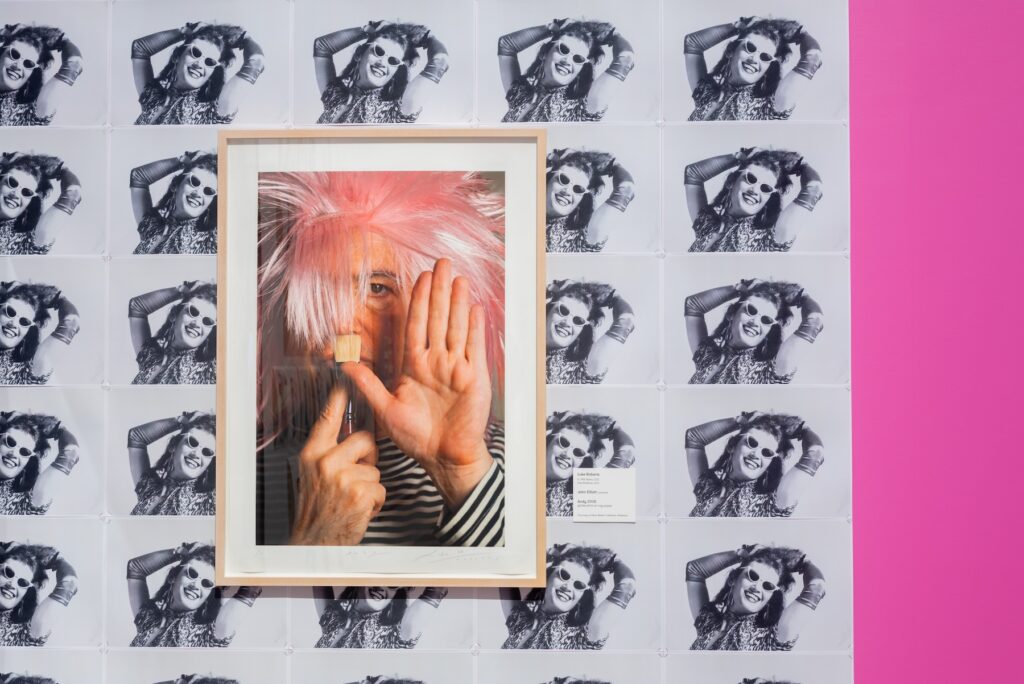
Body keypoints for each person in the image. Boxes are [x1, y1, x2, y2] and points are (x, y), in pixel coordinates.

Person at [256, 171, 507, 547]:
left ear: (434, 307)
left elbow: (523, 598)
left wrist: (459, 472)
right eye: (320, 294)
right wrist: (317, 541)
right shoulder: (245, 465)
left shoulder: (504, 457)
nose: (339, 324)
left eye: (377, 288)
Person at [686, 544, 826, 651]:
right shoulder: (709, 619)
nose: (757, 588)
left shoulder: (772, 637)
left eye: (768, 585)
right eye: (753, 576)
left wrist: (805, 563)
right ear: (732, 579)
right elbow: (693, 570)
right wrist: (741, 554)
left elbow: (816, 587)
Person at [685, 279, 823, 384]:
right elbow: (692, 305)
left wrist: (803, 296)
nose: (755, 322)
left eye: (766, 319)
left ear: (769, 330)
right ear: (731, 314)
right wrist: (739, 288)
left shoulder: (771, 371)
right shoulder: (707, 353)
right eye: (751, 310)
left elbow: (815, 321)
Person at [686, 412, 824, 517]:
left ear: (770, 462)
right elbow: (693, 437)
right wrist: (740, 420)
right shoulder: (707, 488)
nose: (756, 454)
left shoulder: (771, 505)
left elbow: (816, 454)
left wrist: (804, 429)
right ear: (732, 446)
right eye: (752, 443)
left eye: (767, 452)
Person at [685, 148, 822, 252]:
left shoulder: (768, 239)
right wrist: (739, 156)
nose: (755, 190)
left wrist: (803, 165)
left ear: (768, 198)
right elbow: (692, 173)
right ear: (731, 182)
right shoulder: (707, 223)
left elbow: (814, 189)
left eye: (766, 188)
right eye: (751, 179)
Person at [684, 17, 822, 121]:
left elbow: (813, 59)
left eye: (765, 56)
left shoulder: (770, 106)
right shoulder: (707, 92)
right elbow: (692, 42)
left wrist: (803, 33)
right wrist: (738, 26)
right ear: (730, 51)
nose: (754, 59)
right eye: (750, 48)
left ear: (768, 67)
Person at [501, 544, 635, 649]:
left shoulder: (582, 636)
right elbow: (504, 565)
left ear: (583, 594)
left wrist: (614, 561)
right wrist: (551, 553)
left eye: (579, 585)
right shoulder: (519, 619)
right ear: (548, 576)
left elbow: (628, 586)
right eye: (564, 575)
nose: (568, 587)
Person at [127, 542, 260, 647]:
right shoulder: (149, 617)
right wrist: (179, 552)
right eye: (192, 574)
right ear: (173, 576)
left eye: (207, 583)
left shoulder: (205, 635)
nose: (196, 585)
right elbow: (135, 567)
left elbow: (253, 584)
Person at [498, 18, 634, 122]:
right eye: (563, 49)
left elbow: (625, 60)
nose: (568, 61)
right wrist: (552, 27)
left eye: (578, 58)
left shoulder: (581, 109)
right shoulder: (520, 93)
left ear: (581, 68)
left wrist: (614, 35)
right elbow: (506, 44)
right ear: (543, 53)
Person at [313, 21, 449, 124]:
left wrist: (429, 37)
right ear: (359, 55)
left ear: (396, 70)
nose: (382, 63)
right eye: (379, 51)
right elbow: (321, 46)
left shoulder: (396, 110)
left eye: (393, 60)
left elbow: (440, 62)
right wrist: (368, 29)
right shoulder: (335, 96)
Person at [132, 22, 264, 125]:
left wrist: (245, 38)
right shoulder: (153, 96)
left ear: (212, 72)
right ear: (177, 56)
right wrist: (186, 31)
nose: (199, 64)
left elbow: (256, 63)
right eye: (196, 53)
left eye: (210, 61)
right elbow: (139, 48)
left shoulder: (213, 110)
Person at [545, 411, 634, 516]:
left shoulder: (586, 496)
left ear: (583, 461)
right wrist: (550, 421)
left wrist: (616, 428)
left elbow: (627, 453)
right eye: (563, 442)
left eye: (578, 452)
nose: (568, 454)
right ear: (548, 440)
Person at [545, 148, 634, 253]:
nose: (568, 191)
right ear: (547, 179)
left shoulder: (580, 241)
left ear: (581, 199)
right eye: (563, 179)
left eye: (578, 189)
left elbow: (626, 189)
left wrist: (614, 165)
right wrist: (552, 157)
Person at [545, 280, 634, 384]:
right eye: (563, 310)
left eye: (578, 321)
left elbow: (626, 322)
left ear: (581, 331)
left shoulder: (578, 372)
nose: (567, 323)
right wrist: (551, 289)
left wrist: (614, 297)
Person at [129, 280, 217, 385]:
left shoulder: (210, 366)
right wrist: (181, 290)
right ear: (174, 315)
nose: (197, 323)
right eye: (193, 311)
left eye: (208, 321)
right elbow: (137, 306)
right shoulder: (151, 356)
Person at [128, 411, 216, 515]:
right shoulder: (149, 486)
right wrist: (181, 420)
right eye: (192, 442)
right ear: (173, 445)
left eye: (207, 452)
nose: (196, 454)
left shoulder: (211, 499)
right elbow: (135, 437)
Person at [130, 152, 217, 254]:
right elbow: (138, 177)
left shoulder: (211, 238)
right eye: (194, 182)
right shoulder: (152, 226)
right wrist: (182, 160)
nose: (198, 193)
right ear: (175, 185)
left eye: (209, 191)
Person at [0, 24, 82, 126]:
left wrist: (64, 40)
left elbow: (74, 65)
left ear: (31, 75)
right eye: (14, 54)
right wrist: (6, 31)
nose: (18, 66)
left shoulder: (30, 113)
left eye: (28, 64)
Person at [312, 586, 448, 648]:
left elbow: (438, 587)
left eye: (392, 585)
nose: (382, 587)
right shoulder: (333, 614)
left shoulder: (393, 635)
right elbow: (316, 564)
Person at [0, 410, 80, 514]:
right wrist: (4, 416)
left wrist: (59, 429)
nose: (14, 453)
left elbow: (71, 454)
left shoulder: (22, 505)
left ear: (28, 462)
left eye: (25, 451)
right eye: (10, 442)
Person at [0, 152, 81, 255]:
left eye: (26, 192)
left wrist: (62, 169)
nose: (15, 194)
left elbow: (73, 194)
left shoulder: (26, 243)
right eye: (12, 183)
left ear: (30, 202)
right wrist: (5, 159)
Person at [0, 281, 79, 385]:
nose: (14, 323)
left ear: (27, 332)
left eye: (24, 321)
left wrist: (59, 299)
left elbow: (71, 322)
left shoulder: (26, 372)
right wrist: (5, 287)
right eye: (10, 312)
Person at [0, 542, 77, 646]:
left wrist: (58, 559)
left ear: (26, 593)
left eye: (23, 582)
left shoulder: (21, 635)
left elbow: (70, 583)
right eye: (8, 572)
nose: (12, 585)